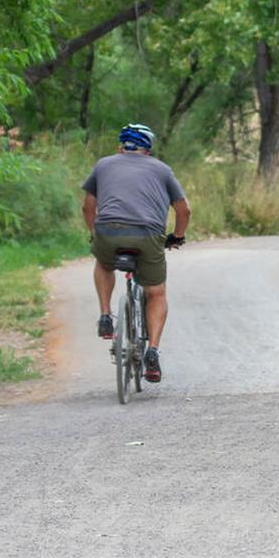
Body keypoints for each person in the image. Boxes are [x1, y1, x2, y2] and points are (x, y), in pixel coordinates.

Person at [81, 123, 190, 384]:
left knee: (104, 264)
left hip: (108, 230)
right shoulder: (162, 170)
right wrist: (176, 236)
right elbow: (184, 210)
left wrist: (96, 234)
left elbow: (87, 207)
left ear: (120, 147)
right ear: (148, 150)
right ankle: (152, 351)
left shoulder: (103, 165)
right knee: (156, 292)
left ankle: (106, 315)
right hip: (148, 234)